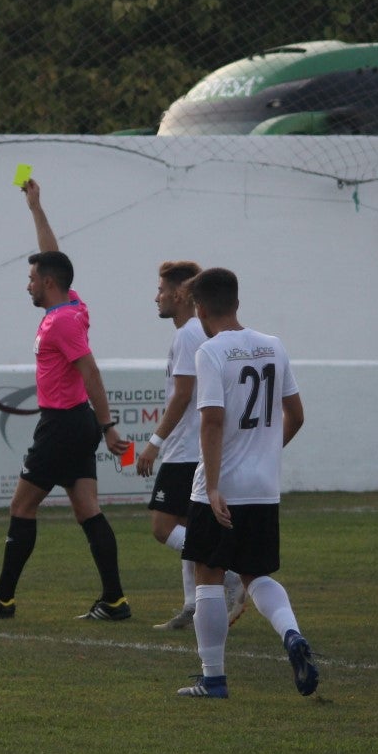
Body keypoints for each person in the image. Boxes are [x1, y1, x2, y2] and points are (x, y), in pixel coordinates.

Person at [0, 178, 131, 621]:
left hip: (63, 425)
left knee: (21, 506)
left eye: (31, 279)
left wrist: (108, 426)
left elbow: (90, 371)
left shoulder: (61, 324)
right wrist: (36, 208)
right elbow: (54, 258)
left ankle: (4, 598)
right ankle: (115, 601)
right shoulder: (70, 304)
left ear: (48, 284)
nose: (27, 285)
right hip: (75, 423)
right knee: (87, 509)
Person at [174, 267, 318, 699]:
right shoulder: (273, 345)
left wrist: (214, 486)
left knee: (209, 574)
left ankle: (213, 678)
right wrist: (267, 454)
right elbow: (297, 415)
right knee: (256, 574)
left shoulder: (210, 351)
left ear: (200, 309)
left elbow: (212, 420)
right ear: (236, 301)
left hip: (223, 485)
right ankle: (292, 634)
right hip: (263, 486)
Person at [136, 259, 245, 630]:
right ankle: (192, 605)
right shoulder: (200, 332)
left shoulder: (187, 334)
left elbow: (182, 395)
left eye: (162, 290)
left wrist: (154, 442)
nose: (157, 298)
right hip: (193, 448)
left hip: (184, 450)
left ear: (181, 294)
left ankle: (229, 576)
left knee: (163, 528)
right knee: (187, 524)